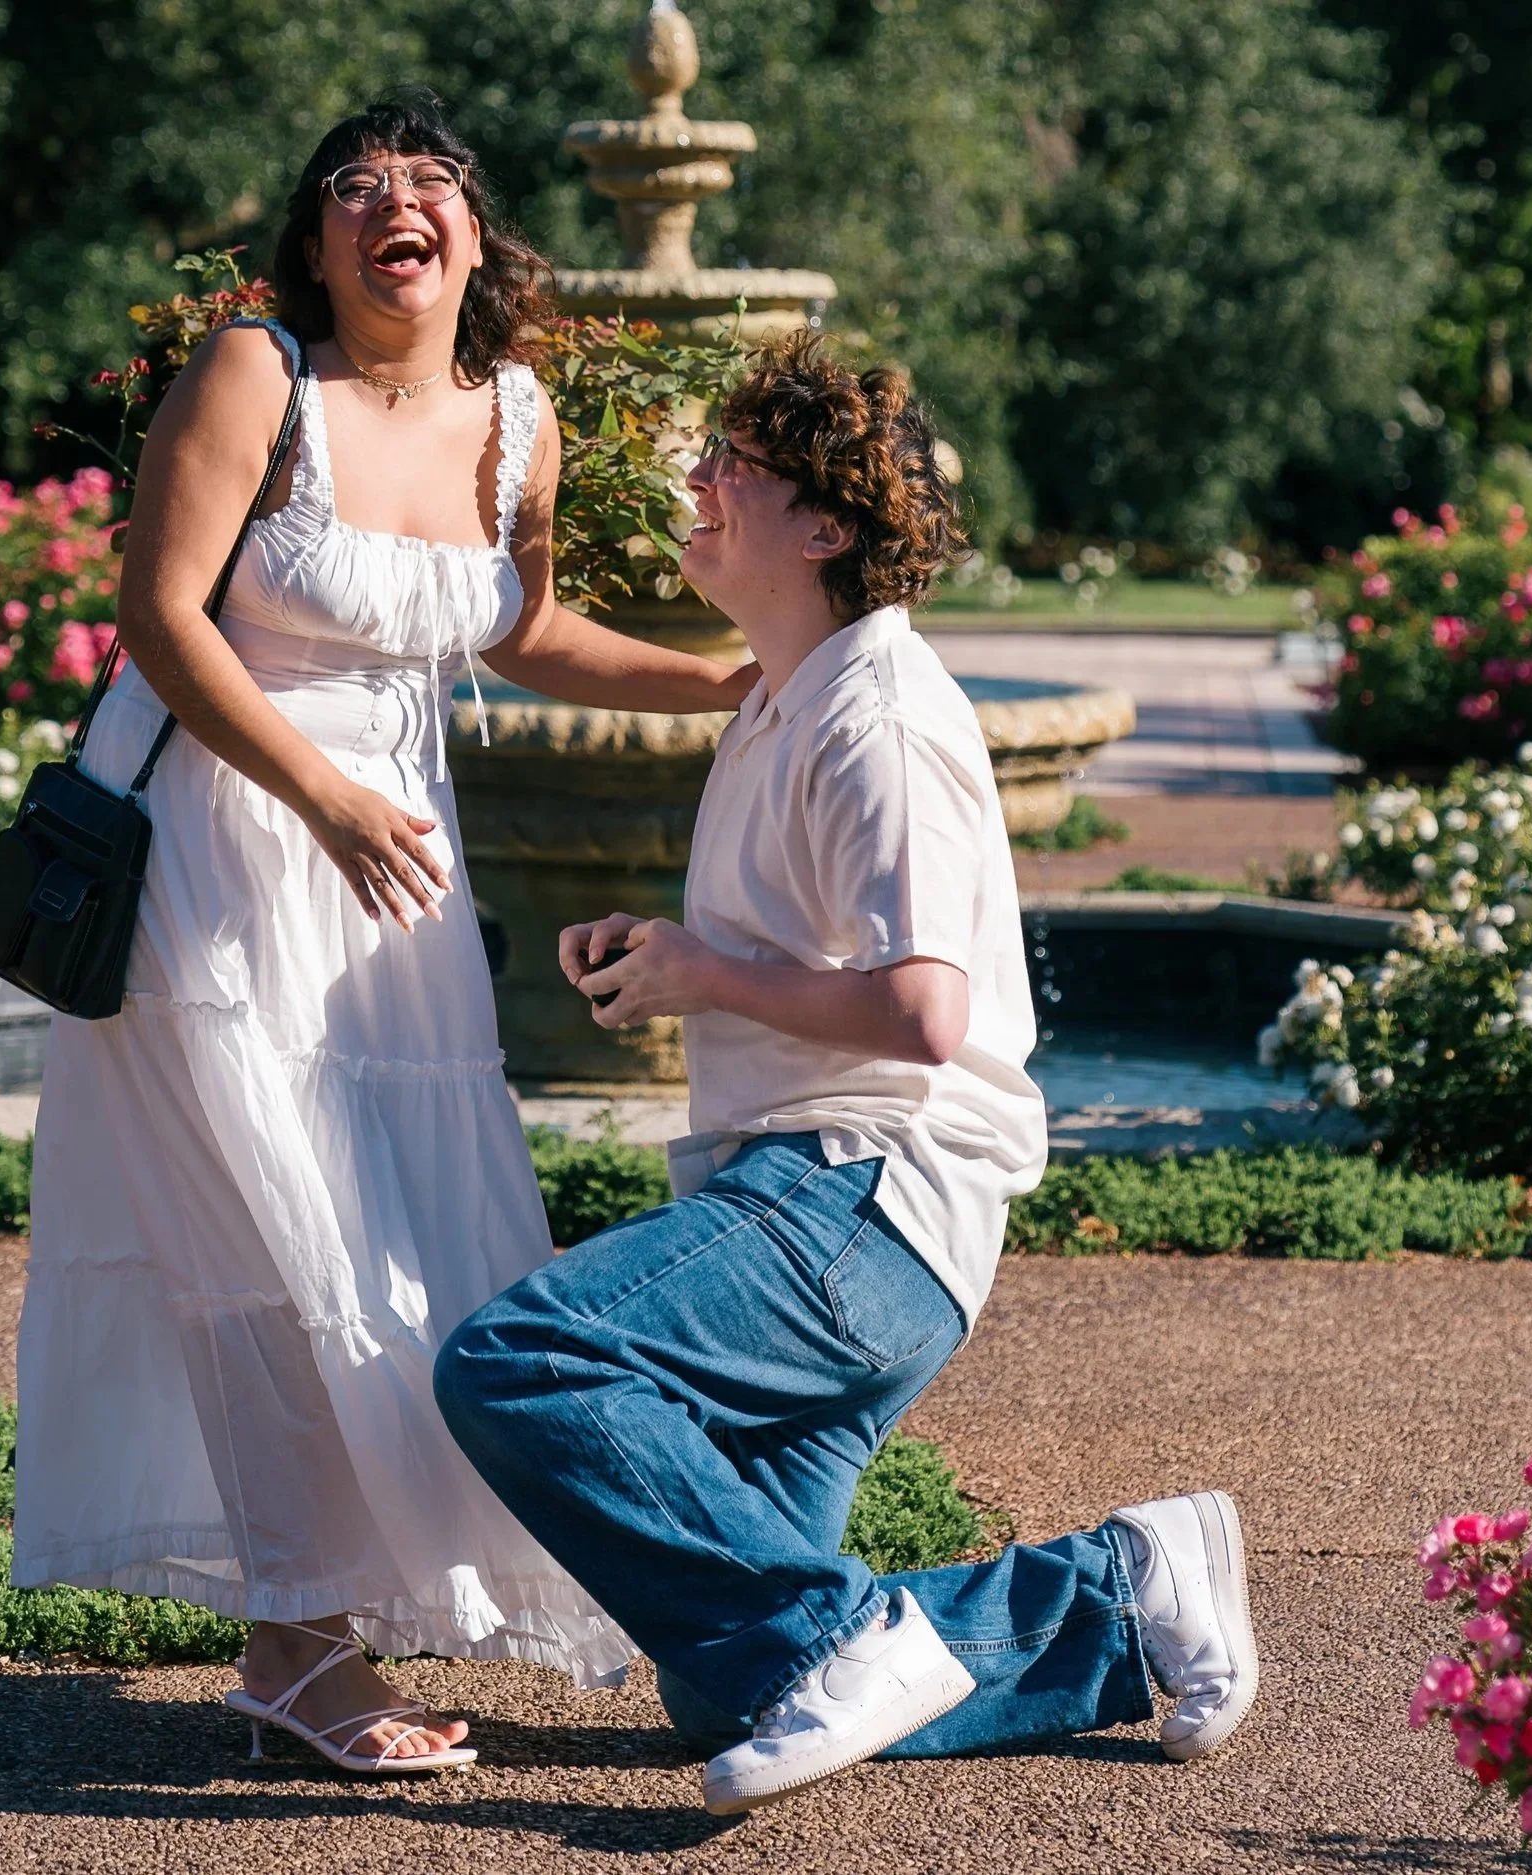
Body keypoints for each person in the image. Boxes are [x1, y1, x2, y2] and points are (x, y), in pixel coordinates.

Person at [9, 92, 754, 1775]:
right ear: (320, 240)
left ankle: (326, 1624)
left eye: (430, 184)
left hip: (393, 911)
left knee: (401, 1249)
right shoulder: (255, 376)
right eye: (356, 186)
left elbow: (532, 623)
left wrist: (723, 682)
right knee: (272, 1260)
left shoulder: (521, 414)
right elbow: (159, 615)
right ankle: (301, 1649)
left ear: (477, 239)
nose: (392, 205)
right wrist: (324, 801)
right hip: (220, 869)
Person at [433, 337, 1258, 1813]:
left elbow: (927, 1010)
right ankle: (1129, 1593)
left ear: (827, 523)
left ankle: (846, 1633)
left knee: (524, 1362)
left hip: (863, 1197)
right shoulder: (782, 697)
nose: (697, 479)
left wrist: (698, 975)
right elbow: (817, 955)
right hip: (838, 1213)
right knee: (726, 1679)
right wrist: (670, 954)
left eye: (733, 463)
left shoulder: (874, 706)